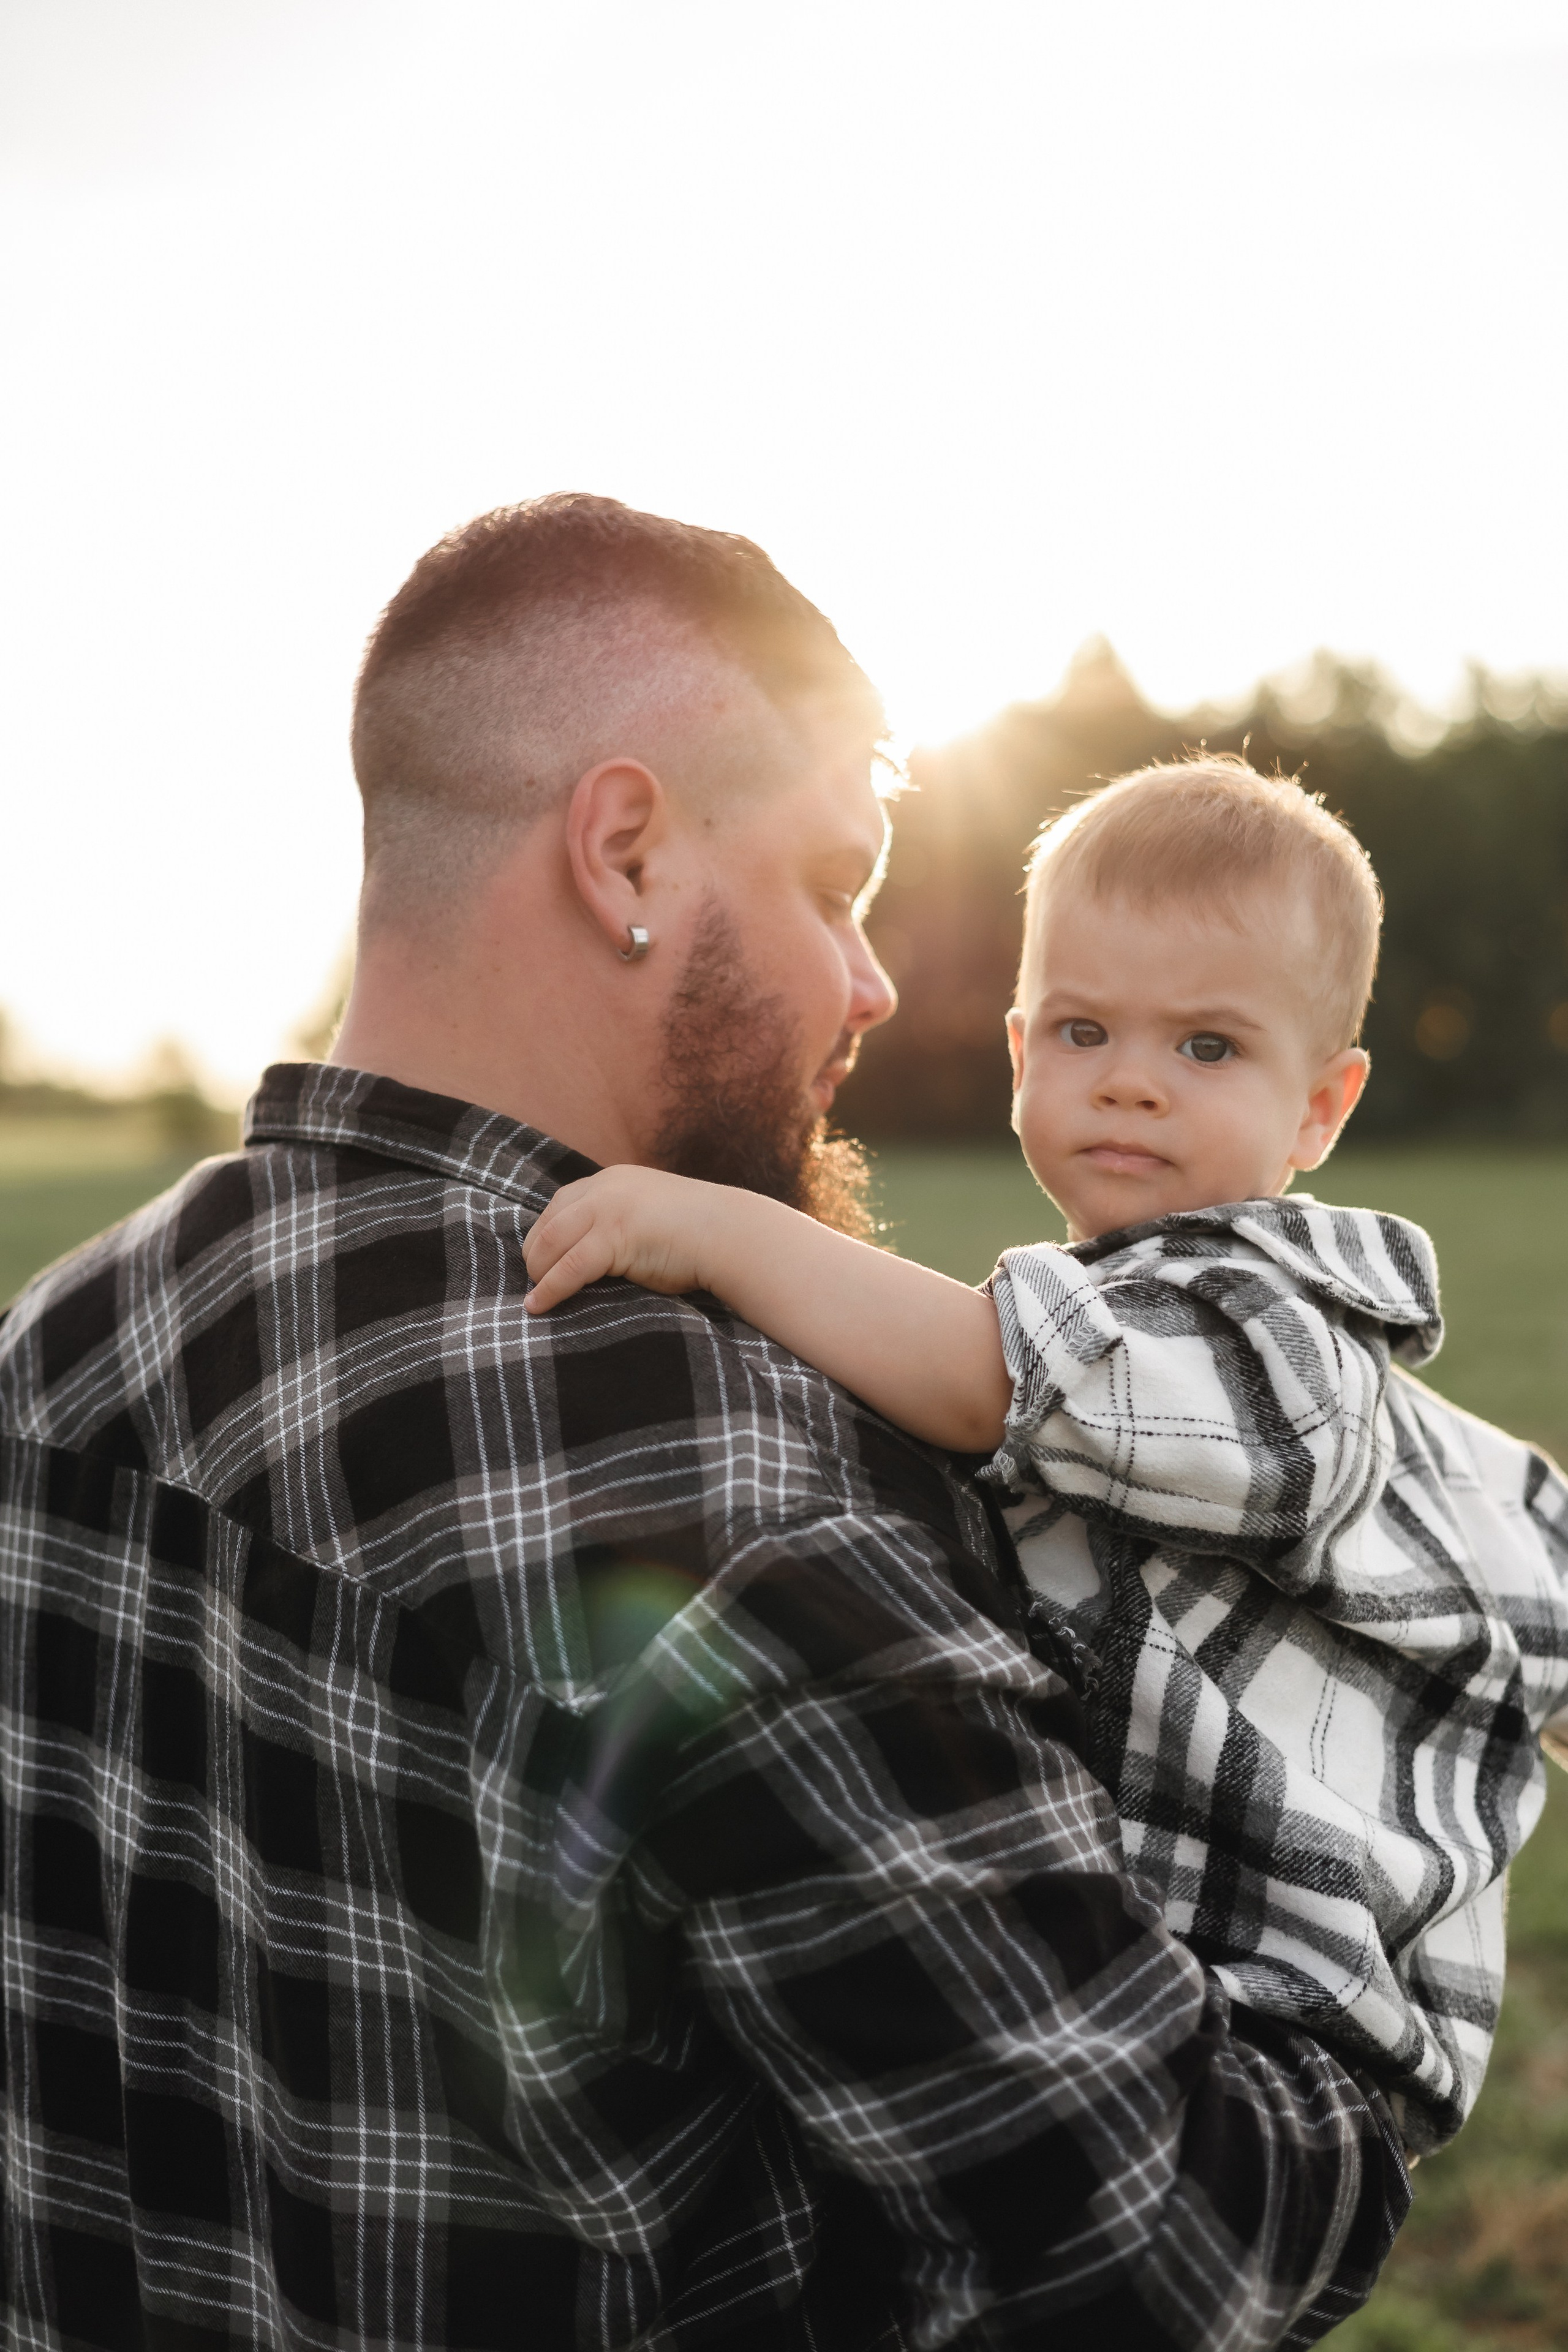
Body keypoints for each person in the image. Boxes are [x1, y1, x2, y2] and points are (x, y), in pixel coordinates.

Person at [0, 504, 1408, 2352]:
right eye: (837, 886)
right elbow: (1179, 2257)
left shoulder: (47, 1345)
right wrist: (1370, 1965)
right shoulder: (724, 1482)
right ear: (628, 848)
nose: (880, 984)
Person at [524, 757, 1568, 2157]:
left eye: (1206, 1048)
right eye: (1082, 1031)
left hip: (1291, 2013)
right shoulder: (1135, 1303)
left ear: (1320, 1107)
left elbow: (978, 1381)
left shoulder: (1271, 1320)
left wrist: (713, 1229)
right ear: (1021, 1053)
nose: (1129, 1084)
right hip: (1172, 1952)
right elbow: (1505, 1510)